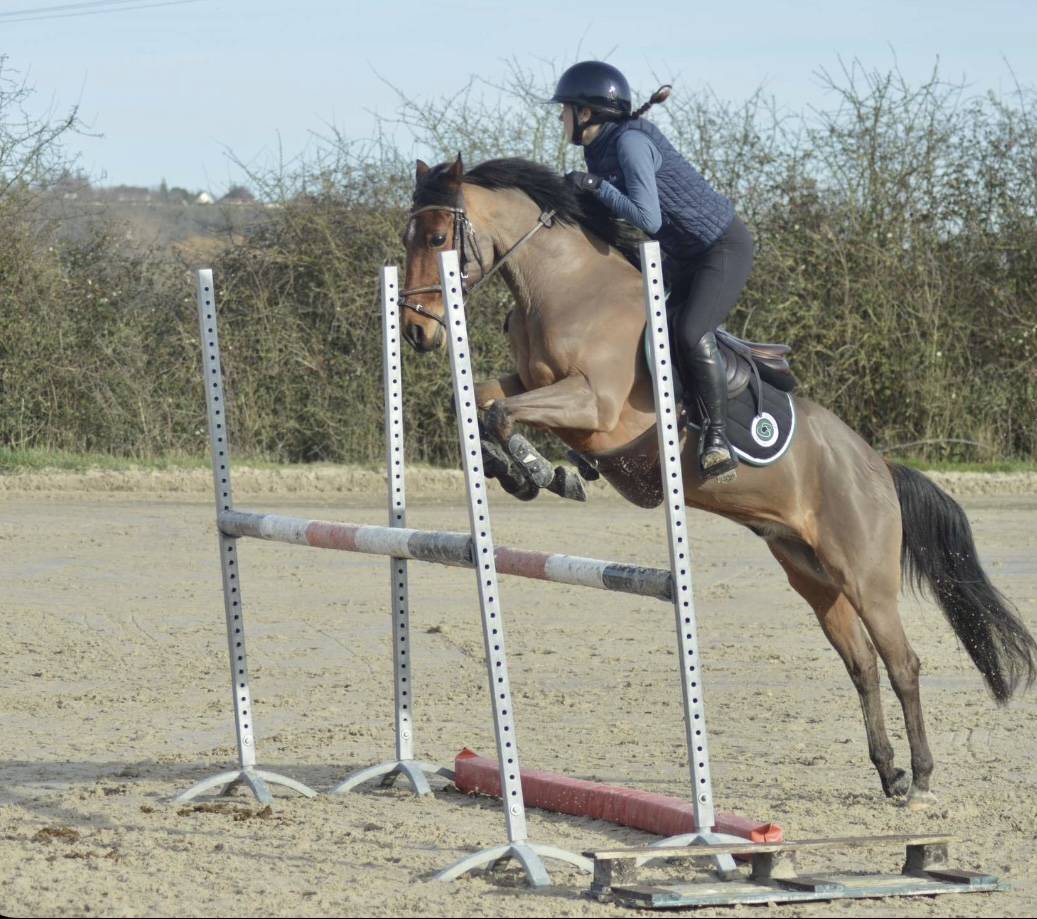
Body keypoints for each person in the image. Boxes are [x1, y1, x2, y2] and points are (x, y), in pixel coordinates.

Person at [552, 60, 754, 484]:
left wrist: (596, 187)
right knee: (626, 329)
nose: (561, 117)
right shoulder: (598, 147)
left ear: (586, 112)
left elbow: (649, 218)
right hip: (680, 255)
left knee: (687, 332)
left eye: (565, 109)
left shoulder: (630, 144)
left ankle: (718, 439)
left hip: (720, 249)